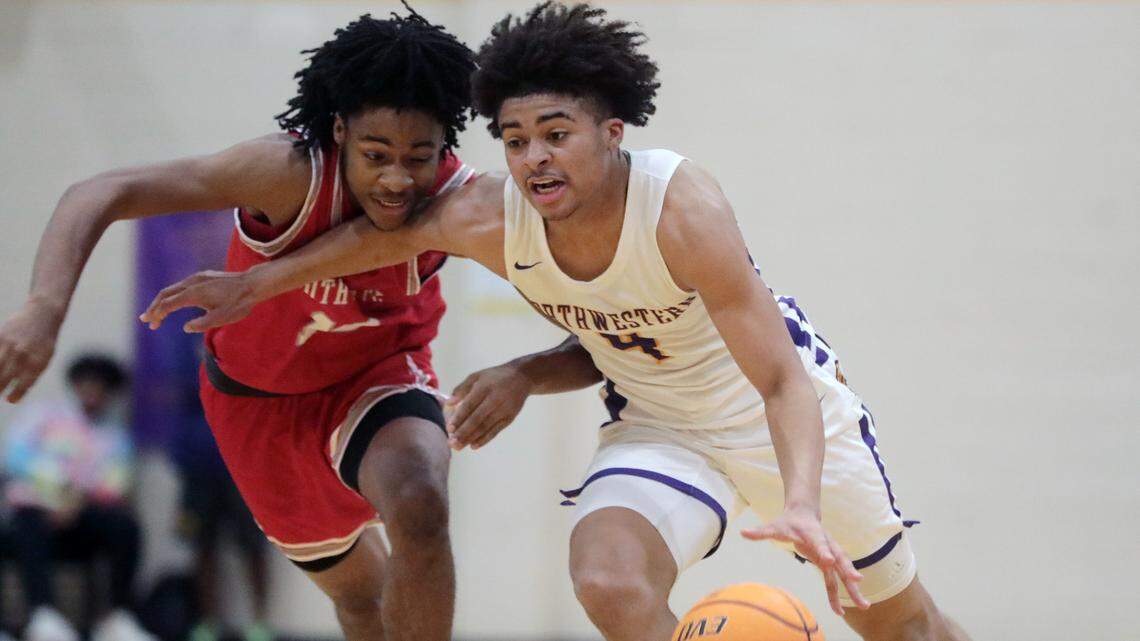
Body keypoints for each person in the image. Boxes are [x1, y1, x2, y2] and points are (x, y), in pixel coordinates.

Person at [142, 3, 975, 640]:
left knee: (903, 625)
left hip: (769, 414)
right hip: (660, 423)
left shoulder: (682, 208)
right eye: (514, 139)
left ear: (611, 133)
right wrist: (259, 283)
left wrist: (798, 502)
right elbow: (380, 239)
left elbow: (781, 379)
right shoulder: (494, 215)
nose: (533, 156)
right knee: (608, 581)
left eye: (555, 133)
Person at [0, 7, 497, 641]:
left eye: (418, 157)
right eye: (376, 155)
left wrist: (530, 369)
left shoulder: (460, 197)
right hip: (257, 406)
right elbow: (99, 192)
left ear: (444, 146)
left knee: (420, 503)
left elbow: (565, 275)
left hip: (378, 373)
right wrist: (44, 308)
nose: (397, 179)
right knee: (358, 597)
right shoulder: (285, 173)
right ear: (339, 131)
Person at [1, 354, 154, 641]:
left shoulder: (115, 435)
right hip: (37, 510)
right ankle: (42, 615)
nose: (92, 392)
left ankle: (117, 616)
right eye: (87, 383)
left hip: (84, 517)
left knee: (125, 526)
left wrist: (78, 501)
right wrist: (60, 493)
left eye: (100, 386)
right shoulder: (43, 416)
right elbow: (17, 457)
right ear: (75, 384)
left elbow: (116, 483)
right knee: (27, 523)